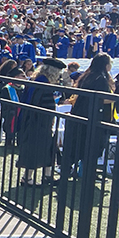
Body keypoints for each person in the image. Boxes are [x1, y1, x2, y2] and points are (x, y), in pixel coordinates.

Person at [62, 53, 116, 178]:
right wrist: (114, 98)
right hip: (93, 117)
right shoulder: (99, 78)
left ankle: (82, 171)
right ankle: (85, 172)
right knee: (91, 145)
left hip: (82, 115)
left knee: (82, 144)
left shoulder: (88, 76)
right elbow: (101, 98)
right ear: (105, 65)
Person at [17, 57, 66, 186]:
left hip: (32, 120)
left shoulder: (37, 80)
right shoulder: (43, 84)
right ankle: (27, 178)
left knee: (48, 148)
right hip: (38, 122)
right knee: (36, 149)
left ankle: (47, 175)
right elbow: (45, 105)